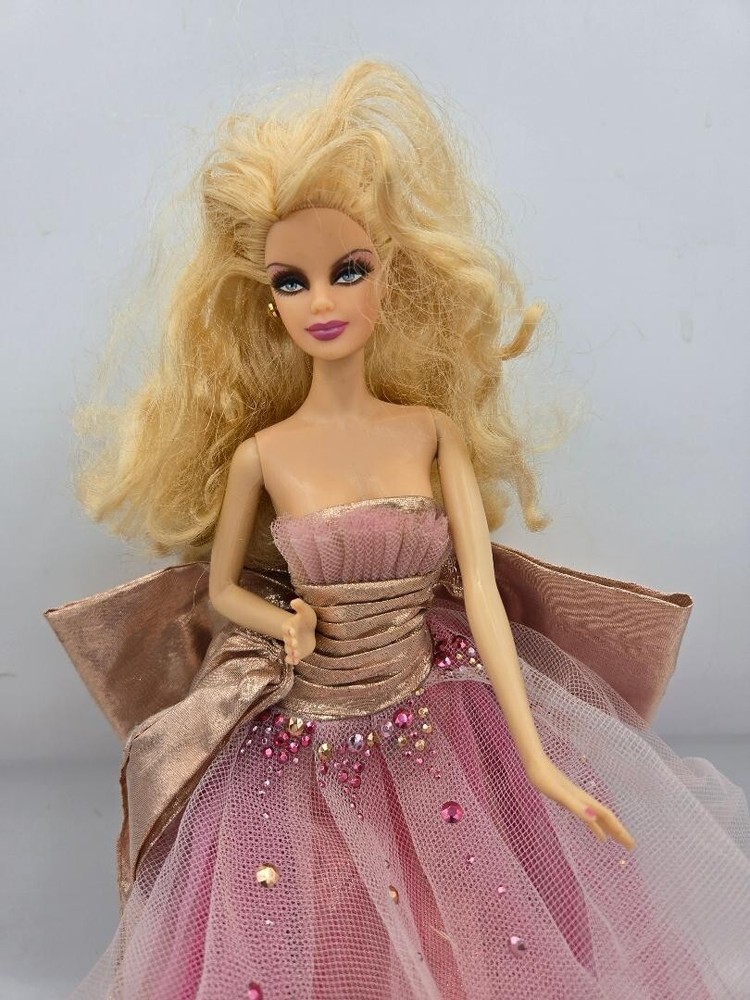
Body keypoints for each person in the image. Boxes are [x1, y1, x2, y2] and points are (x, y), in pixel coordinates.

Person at [47, 61, 750, 999]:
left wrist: (537, 757)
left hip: (441, 708)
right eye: (292, 281)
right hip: (304, 728)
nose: (322, 303)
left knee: (463, 921)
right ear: (266, 301)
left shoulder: (430, 433)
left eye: (348, 271)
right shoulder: (263, 455)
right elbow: (220, 589)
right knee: (317, 918)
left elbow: (483, 596)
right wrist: (282, 622)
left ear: (391, 275)